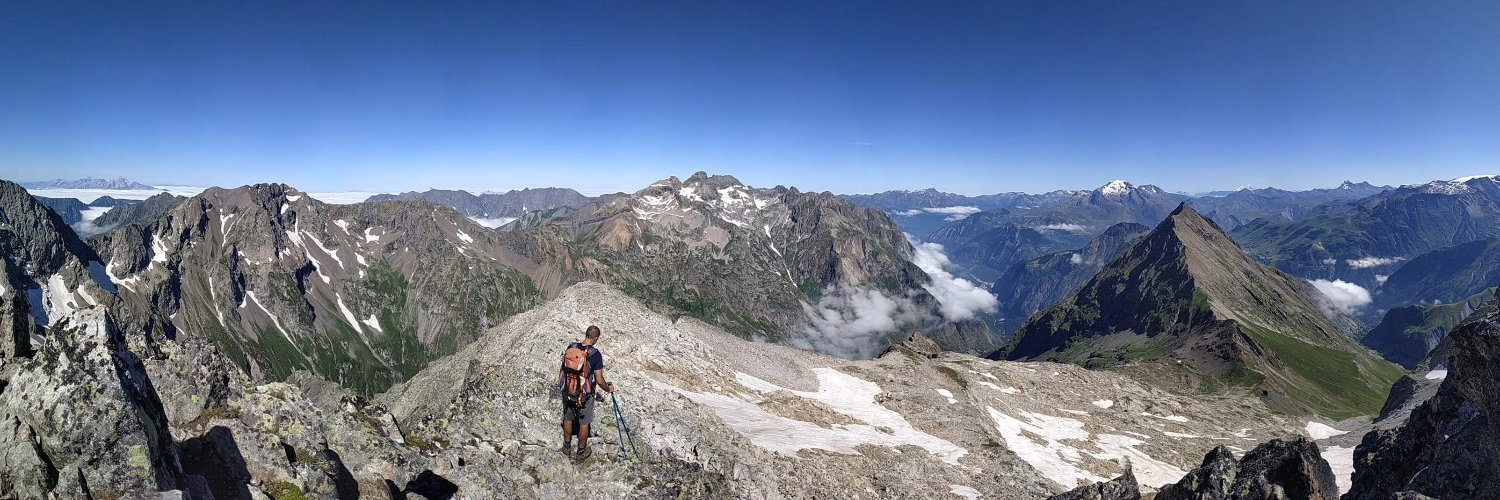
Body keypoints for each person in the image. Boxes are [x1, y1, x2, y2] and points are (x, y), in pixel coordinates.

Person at [559, 325, 614, 460]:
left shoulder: (572, 346)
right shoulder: (595, 354)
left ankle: (566, 447)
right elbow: (599, 380)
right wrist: (608, 388)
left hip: (568, 390)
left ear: (586, 334)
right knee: (584, 422)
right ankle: (581, 452)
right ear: (595, 338)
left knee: (568, 417)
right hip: (584, 394)